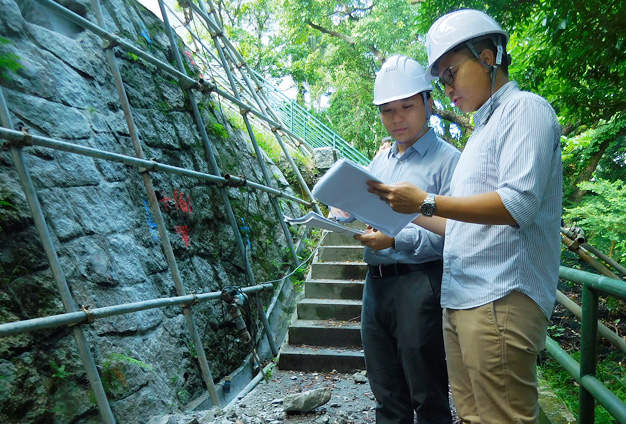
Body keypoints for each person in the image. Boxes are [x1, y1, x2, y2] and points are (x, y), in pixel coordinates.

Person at [367, 10, 563, 424]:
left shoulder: (526, 109)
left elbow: (518, 204)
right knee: (474, 417)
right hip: (464, 297)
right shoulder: (481, 130)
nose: (449, 87)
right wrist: (406, 208)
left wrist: (428, 201)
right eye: (442, 79)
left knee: (502, 418)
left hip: (500, 294)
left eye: (452, 73)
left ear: (488, 57)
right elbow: (455, 226)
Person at [333, 54, 460, 424]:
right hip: (376, 287)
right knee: (385, 391)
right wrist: (340, 211)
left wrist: (395, 242)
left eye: (406, 106)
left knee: (428, 393)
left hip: (421, 283)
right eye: (387, 110)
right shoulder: (382, 160)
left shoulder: (449, 162)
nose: (397, 118)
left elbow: (458, 233)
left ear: (428, 102)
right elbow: (364, 206)